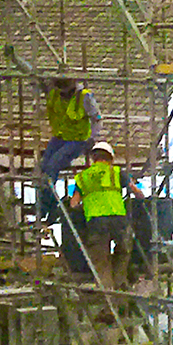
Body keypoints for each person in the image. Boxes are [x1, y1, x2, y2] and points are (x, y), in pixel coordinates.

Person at [34, 74, 102, 220]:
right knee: (42, 167)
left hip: (77, 140)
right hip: (59, 138)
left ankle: (48, 206)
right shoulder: (54, 94)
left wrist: (92, 138)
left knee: (53, 166)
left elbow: (97, 119)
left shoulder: (84, 97)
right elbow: (34, 76)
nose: (63, 95)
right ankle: (46, 203)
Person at [73, 140, 135, 293]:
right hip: (119, 220)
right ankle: (120, 289)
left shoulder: (83, 177)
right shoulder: (118, 172)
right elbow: (137, 192)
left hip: (96, 222)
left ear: (93, 158)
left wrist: (85, 205)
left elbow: (74, 203)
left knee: (101, 263)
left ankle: (109, 300)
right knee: (123, 253)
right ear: (111, 158)